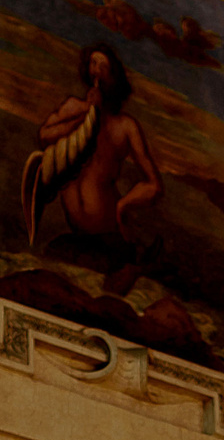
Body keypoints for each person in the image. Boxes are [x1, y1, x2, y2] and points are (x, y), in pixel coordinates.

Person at [22, 43, 164, 273]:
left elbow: (154, 185)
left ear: (114, 77)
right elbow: (45, 136)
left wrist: (123, 205)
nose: (96, 70)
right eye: (93, 63)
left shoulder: (125, 126)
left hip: (109, 236)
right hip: (78, 236)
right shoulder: (72, 107)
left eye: (104, 66)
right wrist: (86, 112)